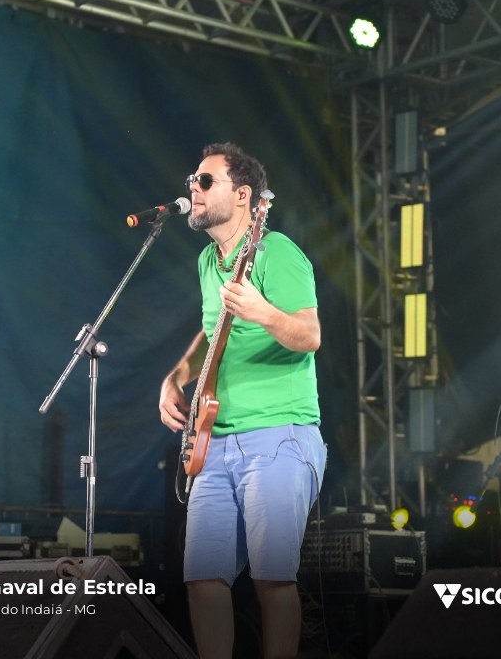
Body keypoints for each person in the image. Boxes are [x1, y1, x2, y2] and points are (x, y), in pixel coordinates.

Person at [158, 142, 326, 659]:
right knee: (203, 579)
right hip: (215, 444)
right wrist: (177, 375)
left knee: (273, 580)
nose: (194, 187)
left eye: (206, 181)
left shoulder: (277, 253)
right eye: (193, 179)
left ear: (244, 194)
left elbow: (309, 335)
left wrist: (263, 312)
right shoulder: (208, 261)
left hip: (278, 437)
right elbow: (214, 330)